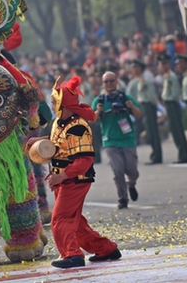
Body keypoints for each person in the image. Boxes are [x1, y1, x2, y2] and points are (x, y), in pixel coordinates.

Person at [28, 76, 120, 269]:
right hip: (62, 179)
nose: (52, 105)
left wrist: (62, 176)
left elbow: (84, 160)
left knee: (60, 218)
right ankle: (106, 249)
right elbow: (58, 144)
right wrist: (37, 143)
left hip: (75, 180)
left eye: (54, 102)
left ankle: (72, 254)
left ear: (64, 103)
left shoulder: (78, 126)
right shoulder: (58, 123)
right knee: (75, 222)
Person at [92, 71, 142, 209]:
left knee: (132, 171)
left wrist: (131, 107)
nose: (109, 84)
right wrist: (98, 111)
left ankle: (131, 184)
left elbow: (139, 115)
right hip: (110, 141)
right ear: (103, 84)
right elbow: (92, 120)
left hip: (127, 139)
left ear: (116, 81)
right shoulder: (99, 100)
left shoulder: (125, 97)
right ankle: (123, 198)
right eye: (106, 81)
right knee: (118, 170)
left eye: (111, 81)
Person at [127, 59, 163, 164]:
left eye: (134, 67)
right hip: (144, 106)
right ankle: (155, 155)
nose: (132, 70)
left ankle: (157, 156)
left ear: (139, 69)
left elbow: (151, 95)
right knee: (150, 132)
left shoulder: (146, 79)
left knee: (153, 131)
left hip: (148, 106)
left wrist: (155, 107)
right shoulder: (138, 79)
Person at [158, 54, 187, 163]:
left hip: (172, 104)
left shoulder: (171, 76)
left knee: (178, 131)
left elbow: (175, 93)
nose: (162, 66)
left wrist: (170, 101)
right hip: (169, 104)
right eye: (161, 64)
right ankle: (182, 155)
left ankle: (184, 156)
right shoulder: (166, 76)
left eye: (164, 64)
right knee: (175, 131)